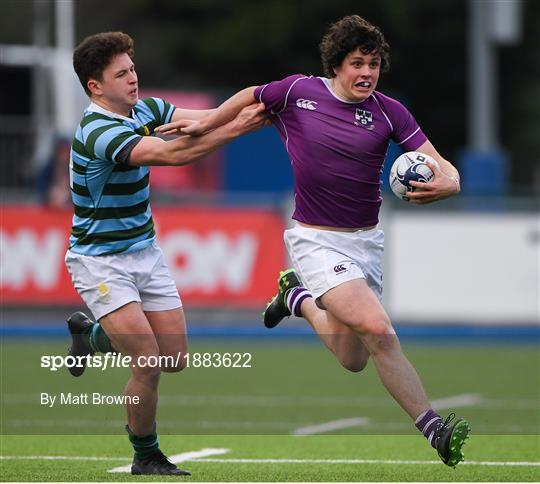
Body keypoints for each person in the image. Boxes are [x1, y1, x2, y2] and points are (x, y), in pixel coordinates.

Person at [156, 15, 470, 467]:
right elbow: (251, 95)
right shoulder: (298, 92)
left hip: (366, 244)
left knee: (353, 358)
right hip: (316, 241)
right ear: (336, 66)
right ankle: (434, 428)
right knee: (380, 330)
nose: (367, 73)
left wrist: (450, 185)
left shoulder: (389, 112)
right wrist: (206, 121)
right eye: (358, 63)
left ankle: (296, 297)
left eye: (375, 64)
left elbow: (443, 167)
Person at [63, 31, 266, 476]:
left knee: (174, 358)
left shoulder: (147, 109)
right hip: (100, 261)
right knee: (149, 362)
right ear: (95, 86)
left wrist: (267, 105)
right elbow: (173, 156)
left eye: (132, 68)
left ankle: (90, 336)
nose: (133, 78)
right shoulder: (98, 131)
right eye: (121, 73)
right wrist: (240, 127)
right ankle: (146, 454)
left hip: (144, 252)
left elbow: (210, 117)